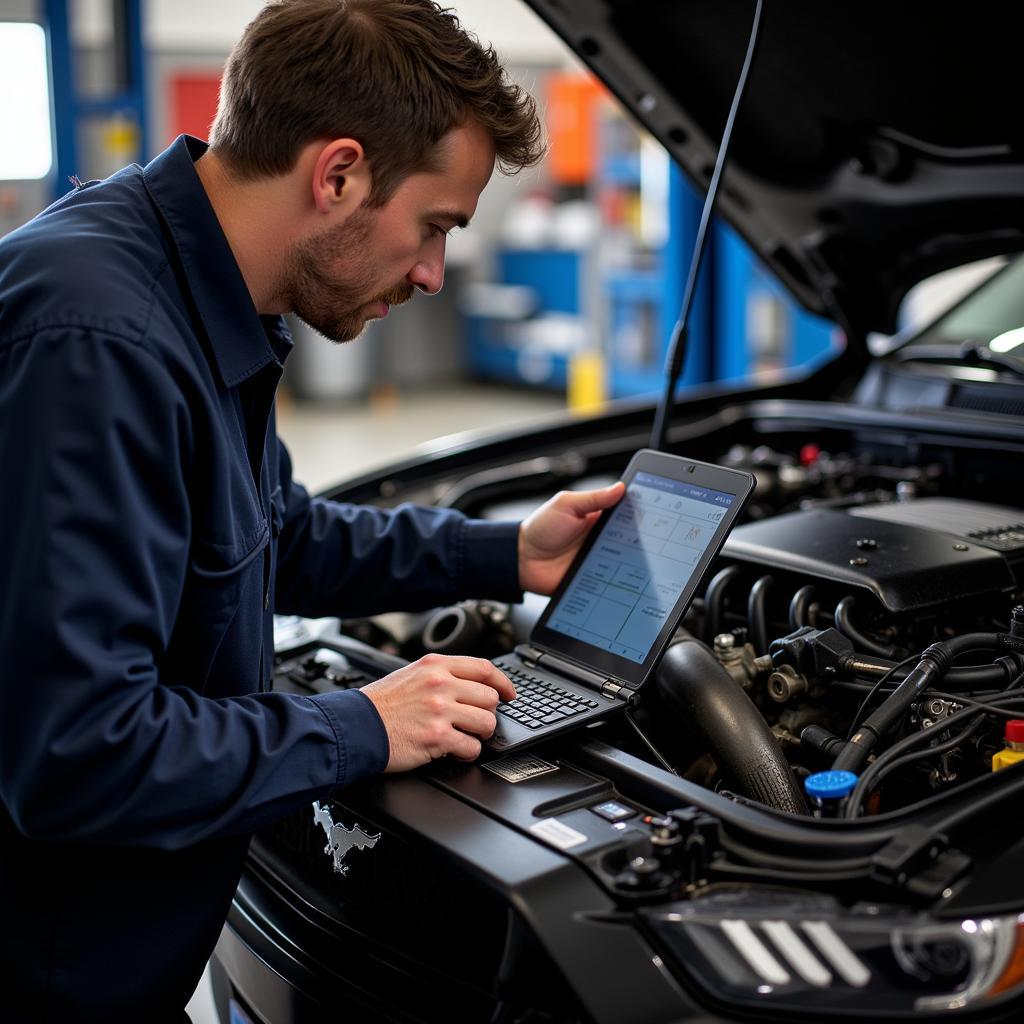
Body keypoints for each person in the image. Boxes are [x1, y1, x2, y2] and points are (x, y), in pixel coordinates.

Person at [0, 1, 624, 1019]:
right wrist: (360, 723)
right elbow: (79, 754)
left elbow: (269, 534)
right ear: (337, 175)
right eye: (433, 227)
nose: (431, 272)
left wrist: (511, 550)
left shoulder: (201, 292)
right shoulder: (101, 342)